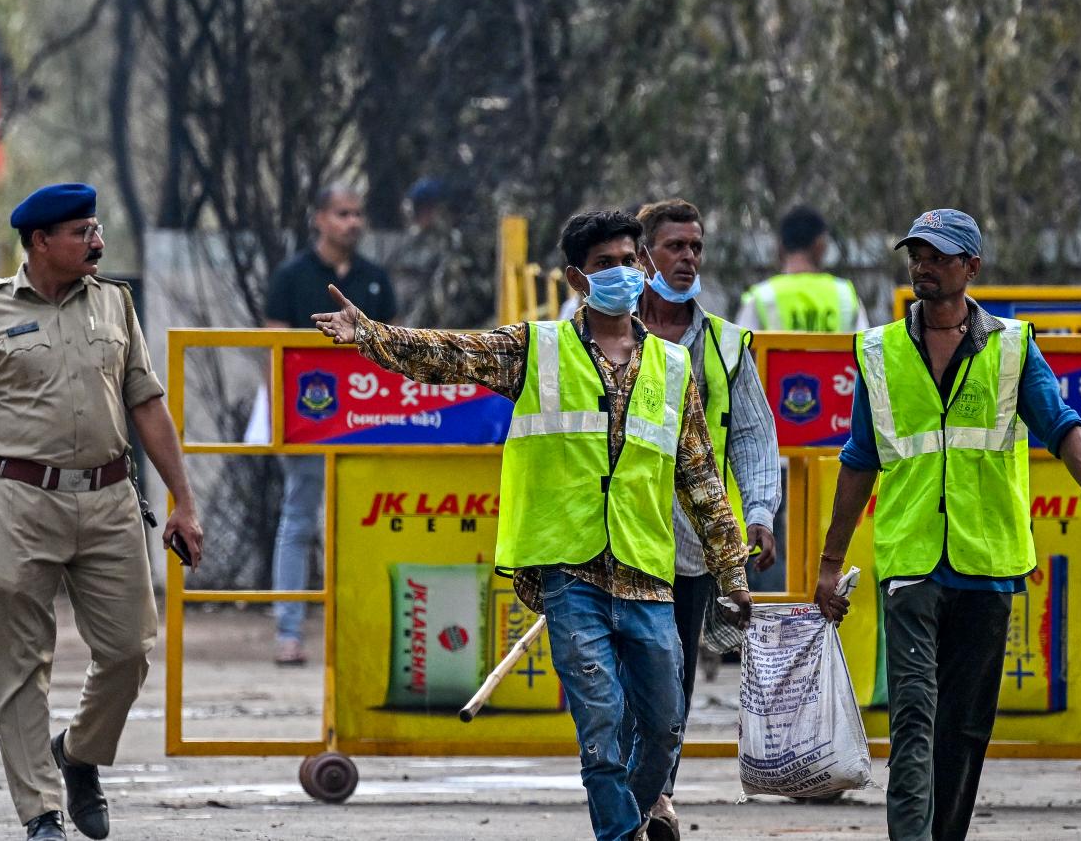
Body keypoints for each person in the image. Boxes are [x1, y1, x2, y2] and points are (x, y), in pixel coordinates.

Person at [312, 209, 752, 841]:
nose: (621, 274)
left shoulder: (673, 368)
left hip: (646, 571)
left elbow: (702, 479)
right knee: (601, 723)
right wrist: (371, 335)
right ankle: (619, 834)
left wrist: (732, 573)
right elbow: (451, 355)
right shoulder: (535, 349)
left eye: (628, 262)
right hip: (568, 569)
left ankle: (633, 816)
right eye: (604, 265)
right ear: (577, 279)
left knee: (664, 726)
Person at [812, 208, 1081, 841]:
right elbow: (858, 460)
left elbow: (1062, 425)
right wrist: (828, 563)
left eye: (939, 257)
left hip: (988, 563)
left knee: (964, 725)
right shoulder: (879, 351)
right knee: (913, 716)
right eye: (917, 256)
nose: (923, 267)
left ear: (971, 267)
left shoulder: (1012, 346)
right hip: (911, 560)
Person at [0, 183, 205, 841]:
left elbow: (146, 403)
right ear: (40, 242)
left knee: (129, 650)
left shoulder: (115, 302)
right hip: (23, 502)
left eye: (97, 228)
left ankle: (77, 753)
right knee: (22, 662)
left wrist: (184, 500)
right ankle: (41, 813)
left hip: (111, 499)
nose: (97, 241)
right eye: (82, 232)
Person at [632, 198, 781, 837]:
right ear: (644, 257)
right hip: (614, 539)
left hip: (691, 543)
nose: (689, 258)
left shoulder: (722, 344)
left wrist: (761, 512)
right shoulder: (601, 333)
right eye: (675, 246)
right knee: (616, 677)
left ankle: (656, 795)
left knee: (672, 679)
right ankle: (626, 793)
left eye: (696, 247)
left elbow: (752, 434)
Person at [263, 184, 395, 666]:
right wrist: (280, 420)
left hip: (366, 421)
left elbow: (398, 350)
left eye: (357, 214)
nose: (352, 222)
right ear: (319, 218)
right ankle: (288, 632)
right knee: (298, 521)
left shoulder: (375, 278)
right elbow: (273, 353)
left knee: (368, 523)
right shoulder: (291, 277)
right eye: (342, 213)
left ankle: (368, 631)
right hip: (310, 421)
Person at [737, 205, 869, 332]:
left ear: (780, 246)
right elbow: (866, 346)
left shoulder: (762, 297)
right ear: (820, 246)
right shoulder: (845, 296)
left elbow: (738, 346)